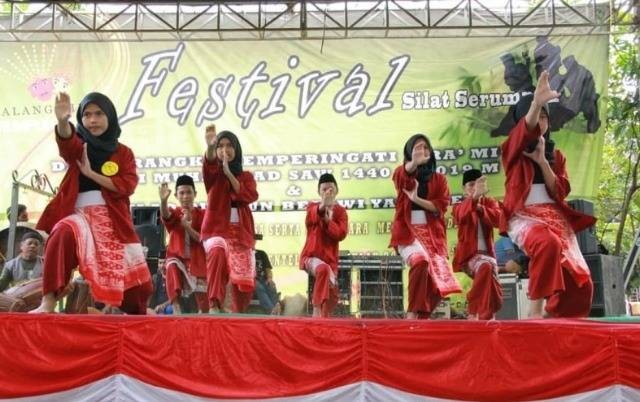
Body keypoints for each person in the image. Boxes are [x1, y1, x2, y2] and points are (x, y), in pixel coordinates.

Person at [31, 92, 152, 314]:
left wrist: (91, 174)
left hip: (112, 218)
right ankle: (48, 302)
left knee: (136, 289)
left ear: (110, 117)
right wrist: (62, 121)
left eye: (98, 114)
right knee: (61, 234)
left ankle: (138, 314)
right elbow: (67, 145)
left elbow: (127, 185)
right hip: (79, 215)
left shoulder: (123, 152)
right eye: (86, 115)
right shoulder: (80, 145)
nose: (92, 120)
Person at [501, 71, 595, 318]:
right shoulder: (512, 150)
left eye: (545, 117)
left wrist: (543, 162)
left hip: (554, 217)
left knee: (581, 282)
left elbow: (560, 191)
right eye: (536, 117)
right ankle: (535, 311)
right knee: (547, 244)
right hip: (525, 217)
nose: (540, 122)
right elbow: (526, 130)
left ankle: (560, 323)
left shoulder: (557, 155)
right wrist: (536, 103)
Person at [390, 134, 461, 319]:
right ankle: (412, 313)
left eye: (425, 147)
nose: (422, 151)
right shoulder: (403, 173)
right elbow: (401, 178)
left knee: (438, 282)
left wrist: (416, 199)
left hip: (432, 235)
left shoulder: (439, 179)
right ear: (409, 153)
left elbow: (441, 206)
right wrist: (413, 163)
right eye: (417, 148)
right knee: (420, 262)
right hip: (408, 234)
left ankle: (422, 317)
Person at [202, 125, 258, 313]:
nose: (224, 150)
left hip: (241, 232)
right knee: (217, 250)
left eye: (229, 145)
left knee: (243, 281)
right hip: (216, 230)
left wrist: (229, 173)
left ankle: (237, 314)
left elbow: (248, 195)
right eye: (220, 146)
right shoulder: (213, 174)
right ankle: (214, 304)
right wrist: (210, 147)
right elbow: (209, 163)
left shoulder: (246, 176)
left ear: (236, 149)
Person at [452, 169, 503, 320]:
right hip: (470, 257)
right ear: (464, 188)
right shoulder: (459, 206)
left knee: (495, 296)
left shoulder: (490, 203)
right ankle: (473, 310)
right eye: (471, 185)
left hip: (489, 256)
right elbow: (461, 215)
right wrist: (474, 199)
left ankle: (487, 320)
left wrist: (480, 207)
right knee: (485, 267)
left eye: (478, 184)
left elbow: (499, 219)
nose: (474, 187)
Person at [299, 173, 348, 318]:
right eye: (324, 189)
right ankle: (316, 311)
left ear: (337, 190)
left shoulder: (341, 212)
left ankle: (323, 322)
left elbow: (341, 234)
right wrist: (323, 208)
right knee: (323, 269)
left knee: (332, 297)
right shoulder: (312, 207)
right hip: (311, 257)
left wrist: (328, 221)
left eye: (331, 189)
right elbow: (313, 216)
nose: (328, 192)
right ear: (319, 192)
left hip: (330, 261)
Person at [159, 175, 208, 314]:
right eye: (181, 193)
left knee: (202, 307)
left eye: (188, 192)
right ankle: (176, 306)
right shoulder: (175, 213)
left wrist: (187, 227)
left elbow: (203, 239)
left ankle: (201, 314)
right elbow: (166, 215)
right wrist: (163, 201)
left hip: (198, 261)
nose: (185, 196)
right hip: (178, 258)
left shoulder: (203, 214)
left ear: (195, 194)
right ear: (176, 195)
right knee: (171, 264)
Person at [253, 234, 281, 315]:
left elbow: (268, 269)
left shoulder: (261, 253)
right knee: (259, 286)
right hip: (252, 280)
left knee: (271, 285)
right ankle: (271, 310)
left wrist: (269, 278)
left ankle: (276, 307)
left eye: (254, 239)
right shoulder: (245, 254)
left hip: (263, 279)